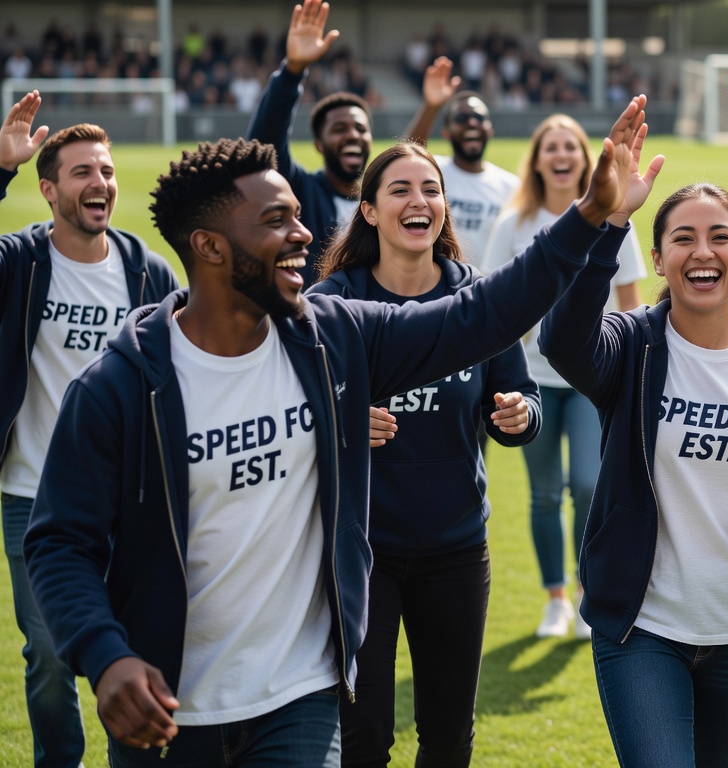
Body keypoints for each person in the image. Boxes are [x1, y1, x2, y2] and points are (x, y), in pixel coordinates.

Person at [23, 97, 647, 764]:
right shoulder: (120, 389)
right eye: (275, 220)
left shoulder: (332, 339)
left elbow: (482, 314)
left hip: (301, 698)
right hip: (170, 711)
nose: (302, 233)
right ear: (209, 246)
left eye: (297, 213)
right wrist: (107, 655)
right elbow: (60, 543)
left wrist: (590, 215)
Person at [537, 153, 728, 767]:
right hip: (643, 628)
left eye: (719, 237)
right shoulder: (631, 346)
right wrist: (611, 223)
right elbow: (561, 340)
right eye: (683, 239)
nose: (702, 252)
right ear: (657, 260)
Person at [308, 141, 540, 767]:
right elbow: (294, 410)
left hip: (455, 550)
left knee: (448, 736)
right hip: (361, 553)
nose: (420, 201)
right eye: (401, 190)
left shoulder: (477, 297)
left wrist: (520, 415)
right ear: (369, 211)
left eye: (431, 189)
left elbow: (522, 397)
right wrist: (342, 422)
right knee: (362, 737)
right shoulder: (331, 303)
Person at [0, 92, 180, 768]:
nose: (99, 182)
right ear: (48, 190)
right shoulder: (19, 263)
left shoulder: (147, 272)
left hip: (131, 498)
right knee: (51, 656)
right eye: (81, 172)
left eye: (104, 170)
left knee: (134, 645)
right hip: (32, 495)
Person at [482, 113, 647, 639]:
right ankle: (554, 598)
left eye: (570, 147)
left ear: (585, 159)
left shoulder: (614, 215)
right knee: (545, 493)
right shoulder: (514, 223)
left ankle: (582, 591)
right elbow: (491, 302)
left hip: (588, 381)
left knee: (589, 484)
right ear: (537, 161)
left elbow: (630, 301)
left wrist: (628, 368)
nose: (560, 155)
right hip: (530, 382)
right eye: (550, 146)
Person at [247, 1, 371, 283]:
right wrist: (293, 71)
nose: (352, 135)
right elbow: (264, 147)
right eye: (339, 128)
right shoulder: (301, 191)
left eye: (360, 128)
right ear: (319, 144)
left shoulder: (381, 201)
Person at [402, 56, 519, 264]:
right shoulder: (434, 173)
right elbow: (403, 160)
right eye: (461, 118)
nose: (471, 123)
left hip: (491, 283)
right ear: (446, 132)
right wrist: (431, 107)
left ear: (490, 130)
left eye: (479, 118)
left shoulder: (511, 187)